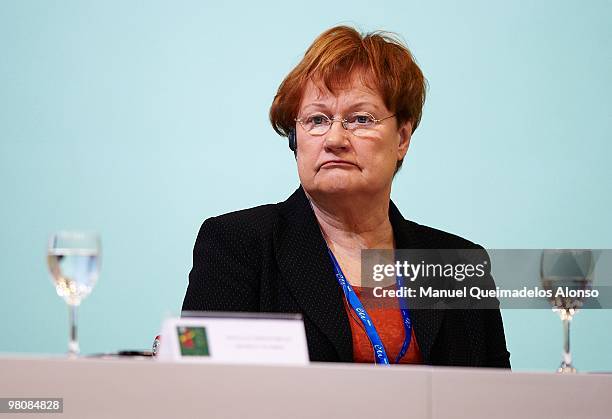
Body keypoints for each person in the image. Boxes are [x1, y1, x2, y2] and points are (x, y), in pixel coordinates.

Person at [182, 25, 511, 367]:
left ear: (401, 137)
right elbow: (204, 389)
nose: (334, 139)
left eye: (360, 119)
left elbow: (497, 400)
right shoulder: (239, 244)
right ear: (296, 139)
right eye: (317, 119)